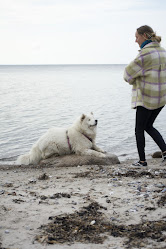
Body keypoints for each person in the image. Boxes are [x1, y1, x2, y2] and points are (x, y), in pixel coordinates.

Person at [124, 25, 166, 167]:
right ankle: (165, 152)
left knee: (139, 129)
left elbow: (127, 75)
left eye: (137, 37)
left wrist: (136, 79)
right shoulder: (163, 52)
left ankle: (142, 161)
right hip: (161, 98)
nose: (135, 40)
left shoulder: (144, 54)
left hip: (146, 98)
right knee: (148, 125)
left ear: (144, 36)